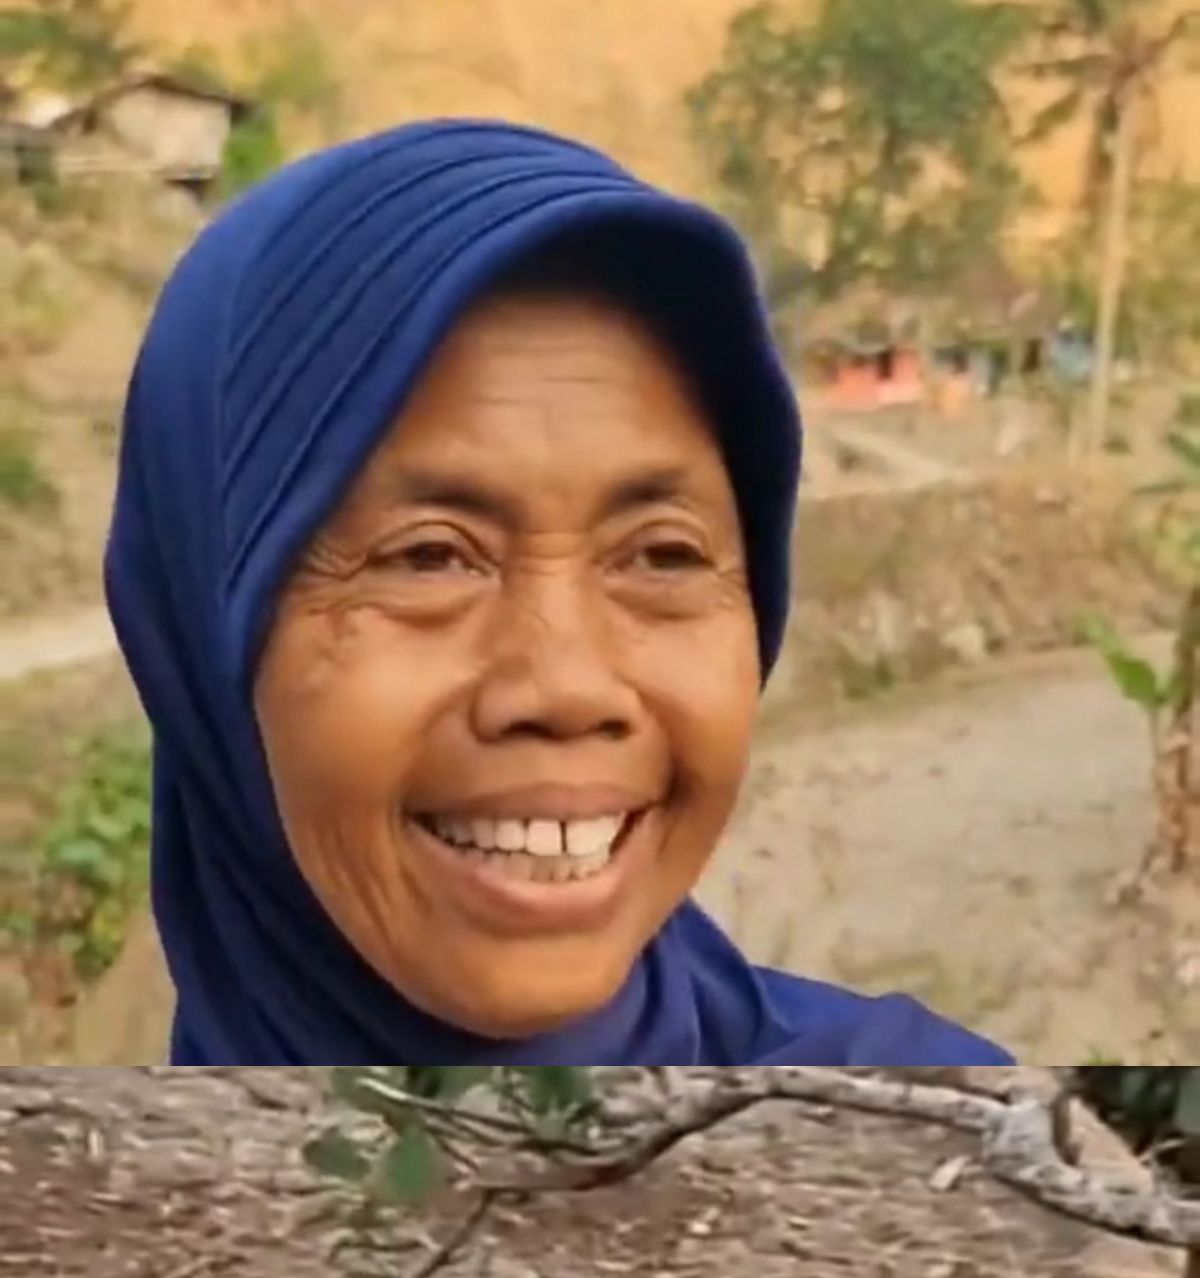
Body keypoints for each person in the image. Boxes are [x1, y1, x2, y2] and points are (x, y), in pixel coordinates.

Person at [105, 118, 1013, 1068]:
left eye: (661, 556)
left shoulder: (947, 1117)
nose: (568, 687)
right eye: (428, 558)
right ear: (200, 639)